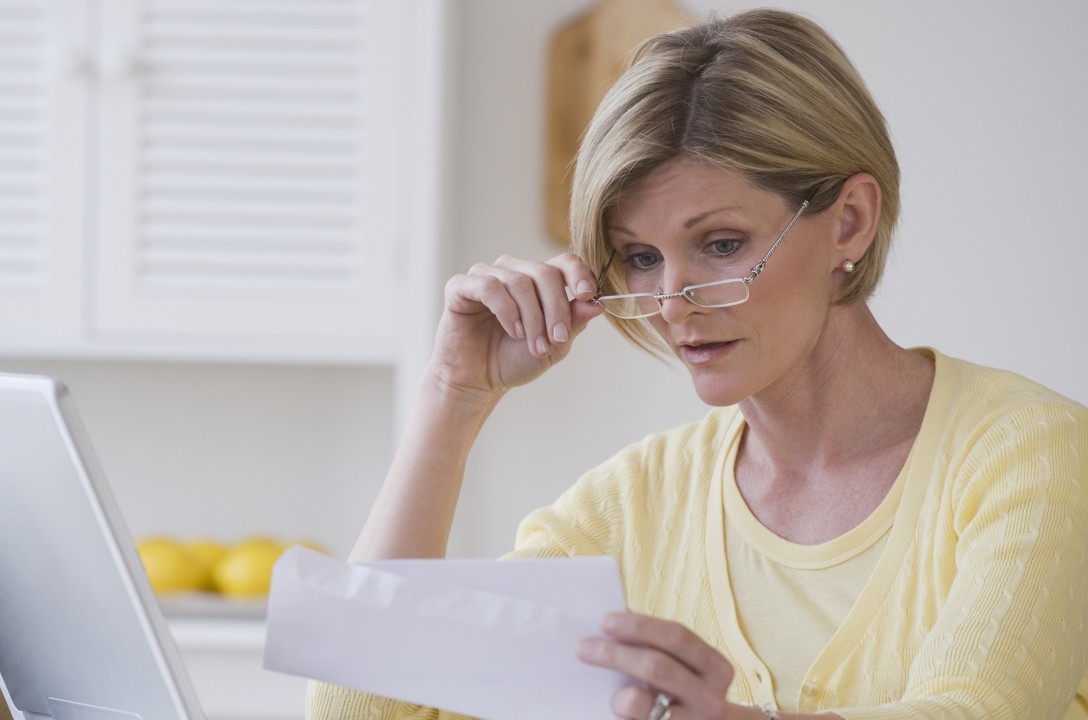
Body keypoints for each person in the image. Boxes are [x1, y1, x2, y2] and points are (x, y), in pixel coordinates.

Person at [307, 8, 1088, 720]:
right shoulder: (631, 506)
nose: (673, 302)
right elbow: (357, 712)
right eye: (640, 257)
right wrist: (453, 398)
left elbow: (980, 708)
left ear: (849, 222)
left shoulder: (1032, 454)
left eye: (720, 245)